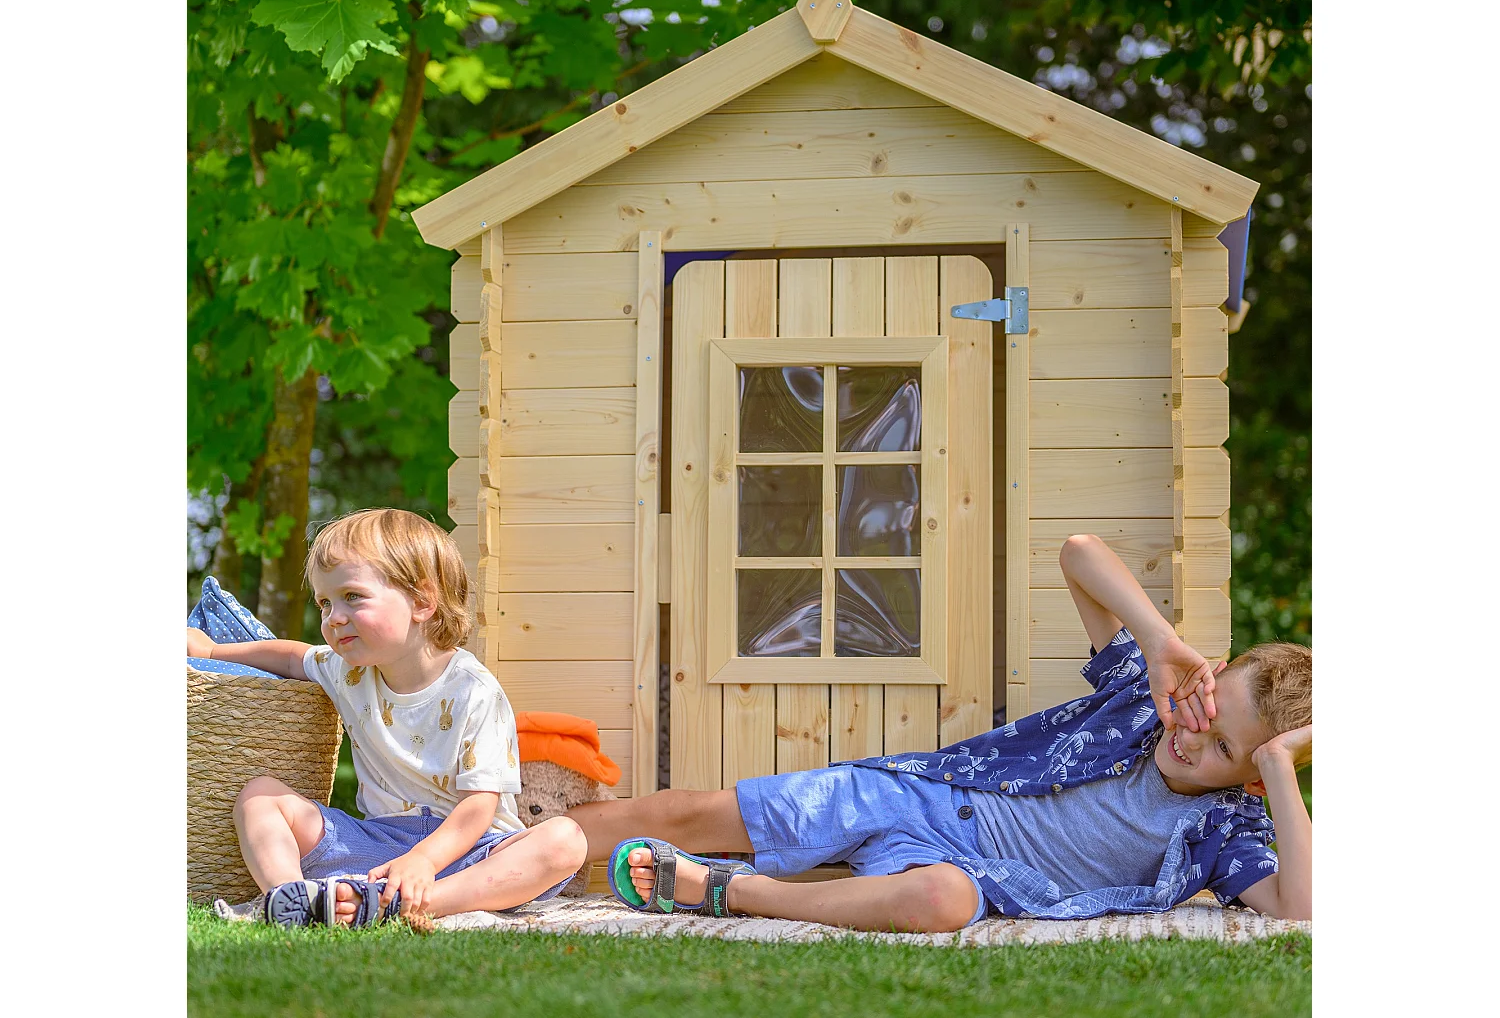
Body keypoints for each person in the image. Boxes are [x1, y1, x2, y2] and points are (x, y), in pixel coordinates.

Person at [569, 533, 1311, 931]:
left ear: (1251, 777)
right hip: (918, 796)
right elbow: (1079, 551)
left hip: (970, 876)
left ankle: (738, 894)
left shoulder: (1225, 831)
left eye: (1223, 748)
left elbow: (1299, 911)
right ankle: (516, 843)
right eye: (1205, 712)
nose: (1190, 736)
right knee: (699, 810)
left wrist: (1280, 767)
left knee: (944, 904)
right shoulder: (1137, 697)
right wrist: (1157, 640)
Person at [187, 508, 587, 928]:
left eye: (352, 597)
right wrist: (213, 651)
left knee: (564, 840)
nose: (332, 618)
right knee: (260, 795)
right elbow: (290, 656)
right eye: (325, 603)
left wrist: (423, 861)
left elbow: (478, 806)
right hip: (376, 842)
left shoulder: (475, 690)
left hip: (474, 854)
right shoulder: (347, 669)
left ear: (421, 601)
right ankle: (291, 898)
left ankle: (414, 902)